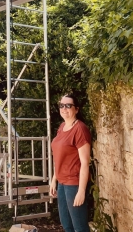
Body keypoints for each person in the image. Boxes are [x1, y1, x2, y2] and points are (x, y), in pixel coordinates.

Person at [50, 93, 92, 232]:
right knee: (67, 225)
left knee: (79, 228)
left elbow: (85, 163)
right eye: (62, 105)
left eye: (68, 105)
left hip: (74, 184)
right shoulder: (62, 127)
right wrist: (54, 179)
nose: (64, 108)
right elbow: (59, 156)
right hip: (62, 184)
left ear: (77, 109)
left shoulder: (80, 129)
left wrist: (81, 191)